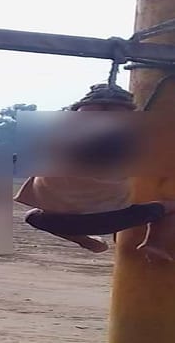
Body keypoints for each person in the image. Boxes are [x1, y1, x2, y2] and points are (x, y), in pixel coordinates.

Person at [14, 83, 175, 262]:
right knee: (171, 207)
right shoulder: (129, 146)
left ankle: (84, 240)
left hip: (59, 221)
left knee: (31, 216)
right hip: (112, 220)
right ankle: (155, 243)